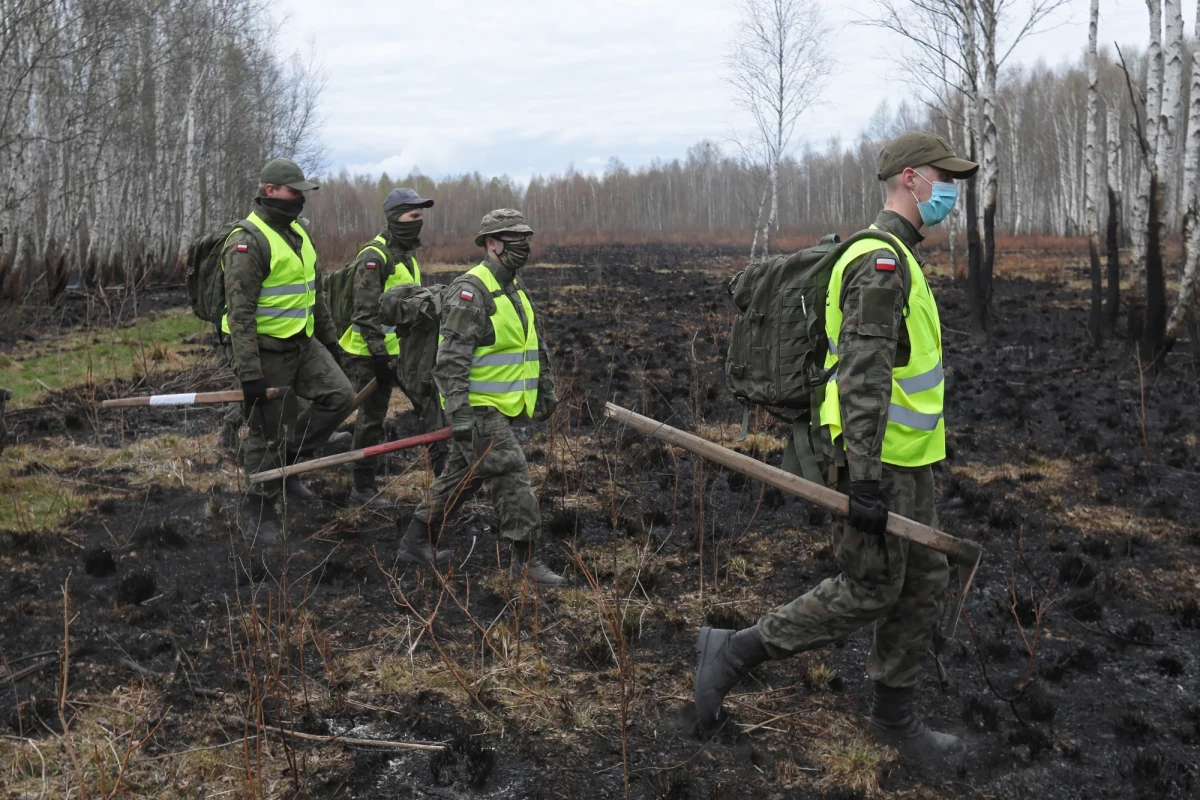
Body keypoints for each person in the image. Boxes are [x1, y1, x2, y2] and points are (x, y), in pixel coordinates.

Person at [693, 132, 978, 761]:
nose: (952, 191)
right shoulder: (878, 262)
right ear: (911, 179)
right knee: (870, 587)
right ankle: (735, 651)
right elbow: (863, 371)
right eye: (944, 178)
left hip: (913, 459)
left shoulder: (902, 258)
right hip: (875, 462)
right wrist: (865, 477)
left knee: (922, 579)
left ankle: (895, 720)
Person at [395, 209, 565, 587]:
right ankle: (526, 561)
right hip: (477, 408)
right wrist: (459, 414)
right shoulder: (471, 291)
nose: (522, 246)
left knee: (462, 474)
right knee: (510, 470)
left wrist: (545, 390)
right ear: (491, 243)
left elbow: (532, 344)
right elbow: (450, 359)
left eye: (525, 238)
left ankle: (415, 540)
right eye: (513, 239)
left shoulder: (515, 288)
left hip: (499, 406)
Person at [221, 158, 355, 541]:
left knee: (340, 397)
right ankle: (259, 505)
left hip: (304, 341)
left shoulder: (298, 234)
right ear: (270, 191)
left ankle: (287, 468)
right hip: (266, 350)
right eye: (294, 191)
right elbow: (240, 315)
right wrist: (250, 375)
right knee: (267, 429)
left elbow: (316, 294)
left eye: (303, 192)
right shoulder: (247, 242)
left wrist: (330, 340)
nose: (300, 199)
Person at [337, 188, 440, 507]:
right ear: (396, 218)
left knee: (433, 409)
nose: (418, 222)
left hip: (407, 353)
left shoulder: (406, 255)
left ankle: (445, 482)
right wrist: (379, 356)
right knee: (371, 418)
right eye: (413, 216)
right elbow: (364, 312)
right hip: (374, 355)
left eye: (421, 216)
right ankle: (362, 488)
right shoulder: (374, 256)